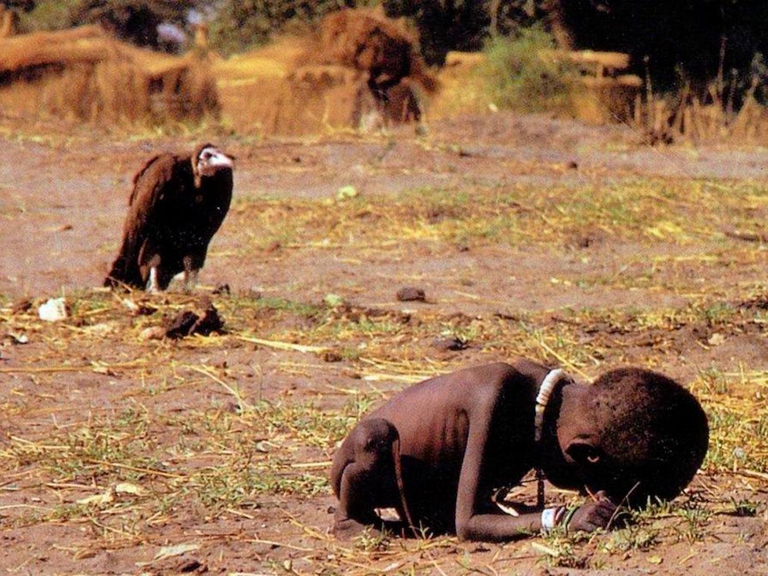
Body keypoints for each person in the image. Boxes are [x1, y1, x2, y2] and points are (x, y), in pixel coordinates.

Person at [330, 359, 709, 541]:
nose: (593, 496)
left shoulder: (556, 404)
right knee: (372, 442)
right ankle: (351, 519)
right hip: (372, 467)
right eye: (591, 487)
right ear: (583, 454)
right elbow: (469, 524)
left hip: (432, 488)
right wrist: (559, 518)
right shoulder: (497, 396)